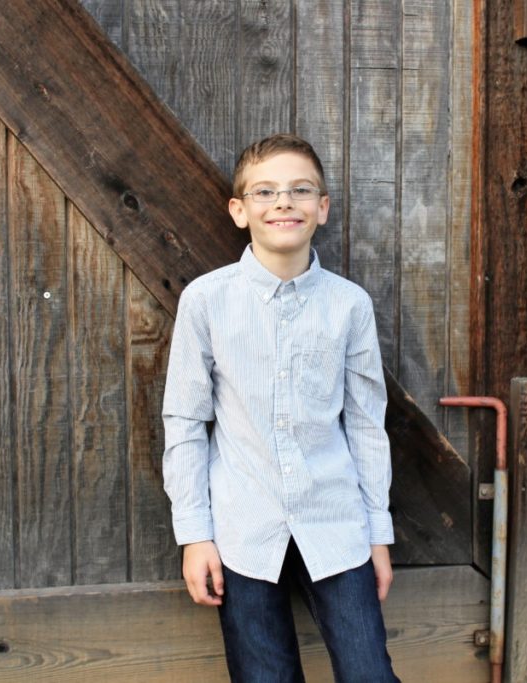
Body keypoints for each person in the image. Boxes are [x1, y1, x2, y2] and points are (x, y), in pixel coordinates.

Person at [162, 133, 399, 682]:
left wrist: (377, 536)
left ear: (323, 207)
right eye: (265, 192)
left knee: (370, 673)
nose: (284, 202)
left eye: (300, 190)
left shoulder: (348, 306)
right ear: (240, 211)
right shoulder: (206, 300)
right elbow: (186, 421)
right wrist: (195, 535)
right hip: (243, 529)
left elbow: (366, 425)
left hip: (337, 526)